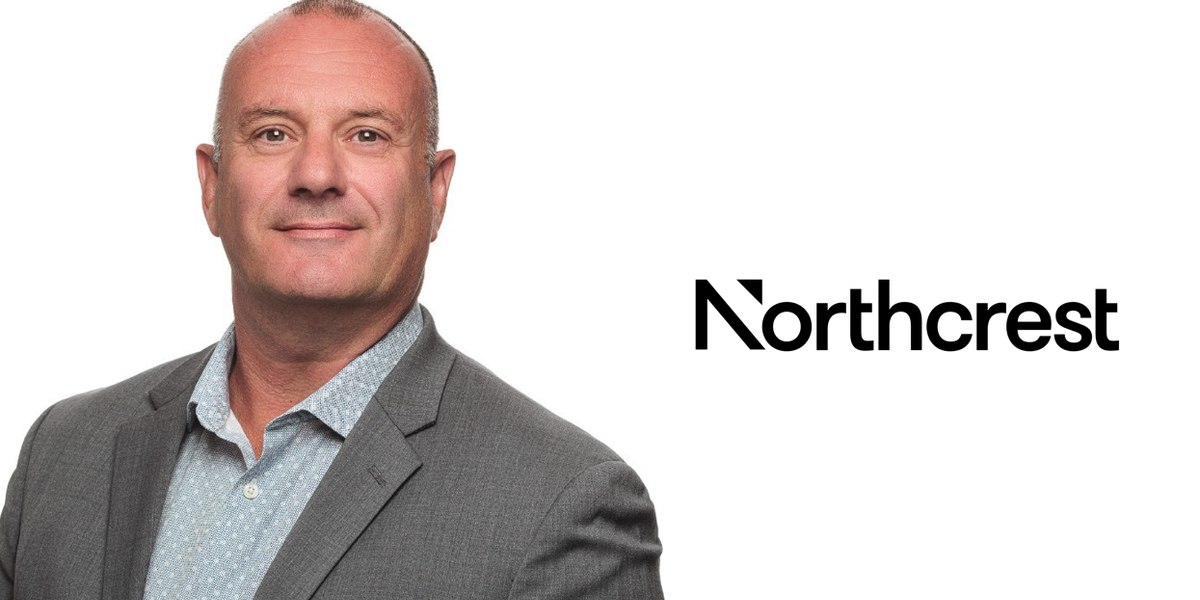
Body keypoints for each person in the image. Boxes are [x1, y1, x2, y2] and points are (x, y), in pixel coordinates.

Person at [0, 1, 664, 598]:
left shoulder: (559, 502)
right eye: (274, 133)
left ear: (435, 191)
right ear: (212, 186)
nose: (316, 174)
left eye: (367, 134)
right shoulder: (63, 452)